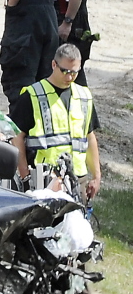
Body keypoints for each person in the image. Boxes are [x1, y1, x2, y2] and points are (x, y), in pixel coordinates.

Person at [10, 43, 102, 202]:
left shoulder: (84, 96)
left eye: (74, 72)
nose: (69, 77)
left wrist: (96, 176)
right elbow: (16, 137)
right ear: (54, 64)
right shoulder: (33, 95)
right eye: (65, 71)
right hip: (45, 179)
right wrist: (25, 176)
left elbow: (89, 137)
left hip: (77, 179)